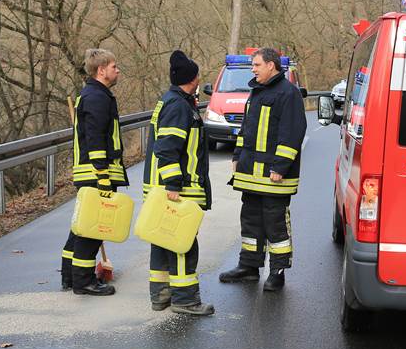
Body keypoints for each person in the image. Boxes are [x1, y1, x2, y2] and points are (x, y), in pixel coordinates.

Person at [219, 48, 306, 292]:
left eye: (256, 65)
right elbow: (246, 129)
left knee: (275, 223)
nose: (253, 69)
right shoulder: (257, 91)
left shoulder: (288, 93)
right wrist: (237, 156)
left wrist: (280, 167)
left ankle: (277, 272)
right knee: (251, 221)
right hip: (250, 173)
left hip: (274, 176)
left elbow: (292, 133)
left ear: (271, 65)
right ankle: (248, 267)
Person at [141, 50, 214, 316]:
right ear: (193, 79)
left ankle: (161, 295)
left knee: (162, 240)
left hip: (163, 186)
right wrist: (173, 184)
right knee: (182, 242)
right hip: (178, 188)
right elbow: (168, 148)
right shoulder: (178, 106)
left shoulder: (173, 101)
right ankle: (185, 299)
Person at [61, 48, 128, 296]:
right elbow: (96, 138)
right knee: (92, 230)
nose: (117, 70)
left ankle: (70, 276)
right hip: (97, 173)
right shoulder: (97, 97)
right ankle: (84, 281)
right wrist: (102, 174)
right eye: (113, 67)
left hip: (90, 172)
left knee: (81, 227)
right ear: (101, 70)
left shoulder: (92, 94)